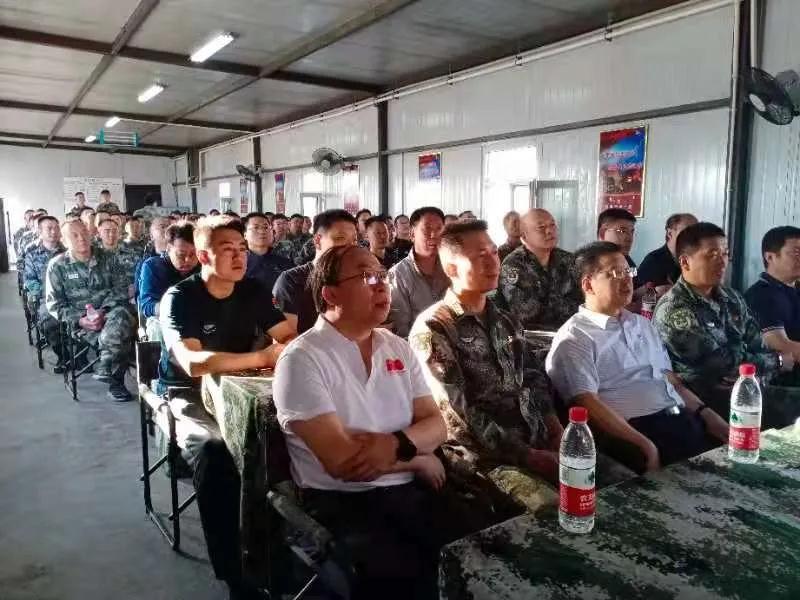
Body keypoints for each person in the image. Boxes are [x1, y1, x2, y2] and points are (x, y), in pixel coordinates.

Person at [274, 245, 447, 600]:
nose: (382, 284)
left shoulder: (397, 347)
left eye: (382, 275)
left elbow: (437, 425)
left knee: (477, 553)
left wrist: (396, 444)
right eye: (367, 276)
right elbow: (344, 463)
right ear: (331, 294)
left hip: (410, 493)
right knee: (409, 580)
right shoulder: (303, 359)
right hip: (342, 503)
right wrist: (417, 458)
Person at [157, 215, 293, 600]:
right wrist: (262, 356)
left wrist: (282, 350)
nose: (239, 257)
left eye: (242, 249)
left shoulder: (251, 290)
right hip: (187, 393)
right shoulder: (180, 298)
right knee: (216, 452)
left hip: (240, 386)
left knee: (287, 435)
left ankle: (278, 553)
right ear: (203, 256)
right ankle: (236, 574)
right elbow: (194, 363)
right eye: (227, 250)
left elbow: (287, 336)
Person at [410, 220, 567, 512]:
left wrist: (557, 431)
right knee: (550, 508)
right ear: (452, 268)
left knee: (609, 478)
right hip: (483, 456)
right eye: (479, 256)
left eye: (494, 252)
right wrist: (527, 456)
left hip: (535, 437)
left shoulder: (505, 319)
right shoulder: (434, 328)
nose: (493, 262)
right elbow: (457, 414)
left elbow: (532, 378)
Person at [546, 241, 729, 473]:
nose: (627, 280)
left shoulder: (642, 324)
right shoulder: (575, 337)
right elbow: (587, 403)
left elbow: (670, 381)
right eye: (615, 273)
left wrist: (706, 414)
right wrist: (643, 445)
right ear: (588, 284)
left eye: (628, 271)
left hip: (680, 419)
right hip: (635, 432)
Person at [653, 222, 800, 427]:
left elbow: (758, 343)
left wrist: (752, 369)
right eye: (712, 255)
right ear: (685, 262)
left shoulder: (731, 297)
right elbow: (720, 365)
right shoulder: (675, 309)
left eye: (725, 254)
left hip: (750, 386)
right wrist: (778, 361)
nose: (722, 261)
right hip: (704, 399)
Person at [45, 220, 135, 401]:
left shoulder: (109, 258)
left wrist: (103, 311)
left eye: (84, 233)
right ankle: (114, 379)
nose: (82, 238)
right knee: (121, 331)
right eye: (74, 235)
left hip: (111, 313)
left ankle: (108, 367)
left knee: (121, 319)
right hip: (80, 323)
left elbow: (122, 289)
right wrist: (80, 319)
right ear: (64, 240)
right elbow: (54, 304)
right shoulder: (57, 266)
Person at [273, 209, 358, 335]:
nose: (350, 247)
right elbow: (285, 339)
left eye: (354, 241)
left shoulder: (357, 278)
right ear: (317, 241)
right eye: (340, 238)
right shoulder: (291, 281)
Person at [497, 209, 582, 330]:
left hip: (573, 330)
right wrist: (568, 308)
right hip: (533, 336)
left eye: (552, 225)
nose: (549, 231)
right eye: (541, 227)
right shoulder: (513, 265)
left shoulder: (568, 259)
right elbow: (527, 314)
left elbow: (585, 301)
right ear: (524, 235)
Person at [388, 207, 449, 338]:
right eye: (427, 229)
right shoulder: (398, 275)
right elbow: (401, 328)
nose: (434, 235)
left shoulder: (452, 268)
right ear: (412, 234)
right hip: (417, 345)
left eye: (439, 229)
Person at [745, 226, 800, 362]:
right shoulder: (760, 296)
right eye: (796, 253)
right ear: (770, 257)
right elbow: (782, 346)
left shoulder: (795, 288)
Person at [138, 222, 199, 341]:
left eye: (193, 254)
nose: (187, 260)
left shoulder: (203, 265)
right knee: (156, 327)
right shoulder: (153, 266)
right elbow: (147, 306)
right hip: (164, 317)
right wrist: (172, 306)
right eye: (181, 255)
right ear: (168, 249)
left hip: (199, 315)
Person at [24, 215, 66, 372]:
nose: (54, 231)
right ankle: (64, 355)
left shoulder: (68, 252)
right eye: (49, 228)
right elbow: (30, 281)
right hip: (46, 299)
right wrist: (46, 293)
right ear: (40, 232)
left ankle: (81, 357)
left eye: (56, 228)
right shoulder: (32, 255)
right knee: (49, 321)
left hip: (71, 297)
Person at [637, 213, 698, 290]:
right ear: (670, 233)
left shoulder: (695, 260)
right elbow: (636, 294)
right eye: (687, 231)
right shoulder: (653, 261)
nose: (693, 237)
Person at [242, 212, 292, 294]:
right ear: (245, 235)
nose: (262, 231)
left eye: (266, 227)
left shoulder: (285, 263)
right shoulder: (239, 263)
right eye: (256, 227)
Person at [597, 208, 642, 289]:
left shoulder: (627, 260)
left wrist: (649, 290)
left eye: (631, 232)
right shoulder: (591, 264)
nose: (629, 238)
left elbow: (636, 286)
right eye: (622, 231)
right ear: (602, 233)